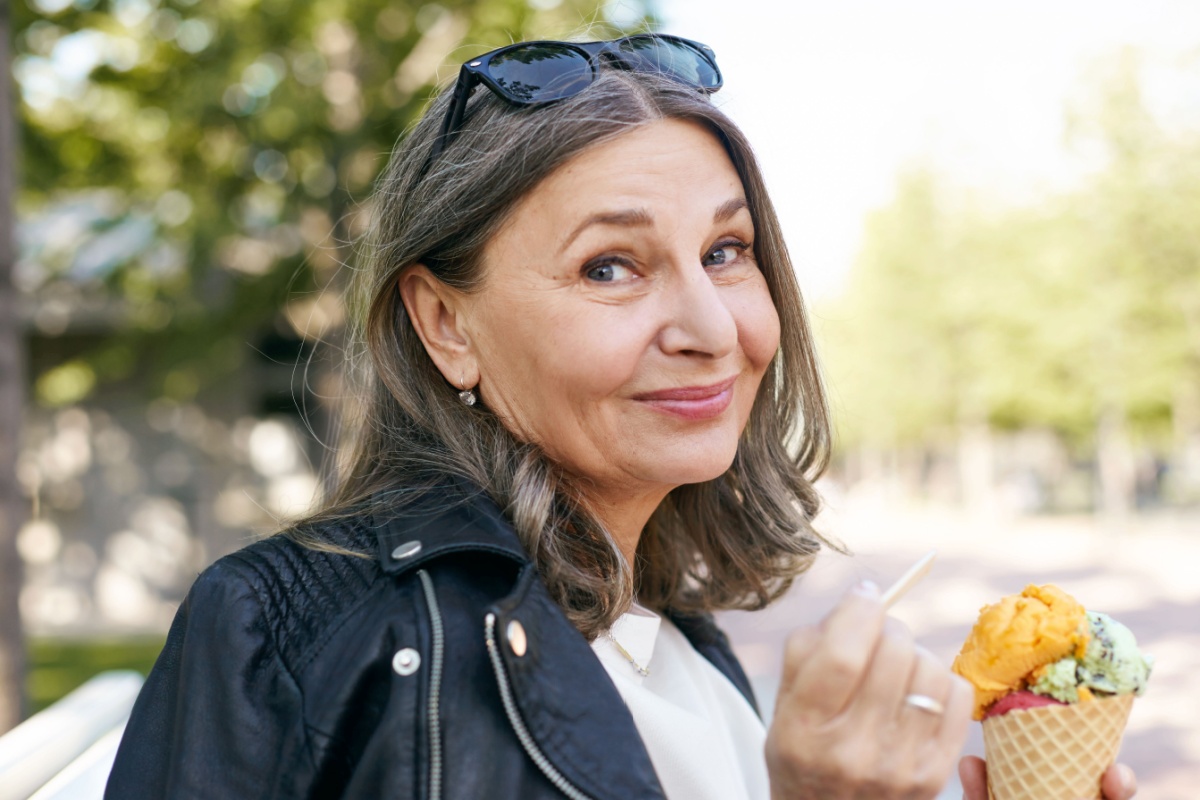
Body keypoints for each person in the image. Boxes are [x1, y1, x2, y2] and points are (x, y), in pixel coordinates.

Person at [105, 34, 1138, 799]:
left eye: (727, 252)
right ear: (443, 321)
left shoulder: (678, 638)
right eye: (612, 265)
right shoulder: (284, 628)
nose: (709, 325)